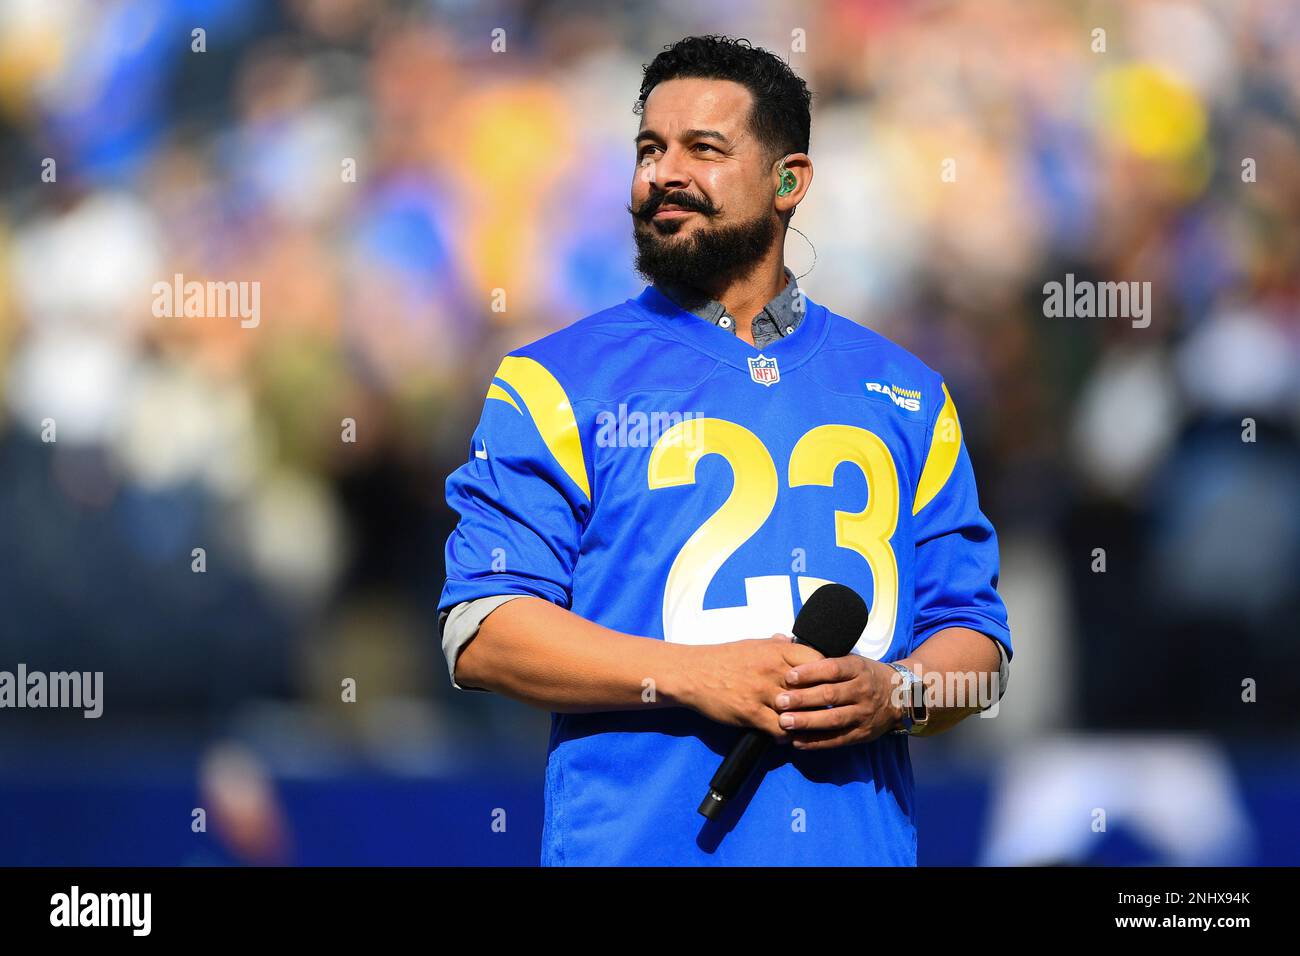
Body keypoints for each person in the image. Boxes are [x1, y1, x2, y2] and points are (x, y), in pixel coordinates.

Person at [438, 35, 1011, 865]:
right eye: (648, 149)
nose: (663, 173)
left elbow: (980, 650)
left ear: (790, 182)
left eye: (703, 149)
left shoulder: (909, 391)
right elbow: (482, 632)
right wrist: (691, 673)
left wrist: (898, 693)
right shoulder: (552, 380)